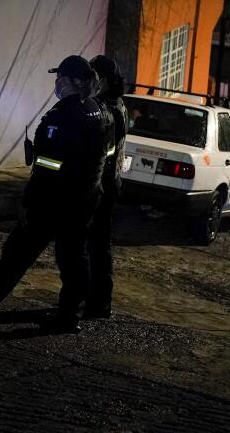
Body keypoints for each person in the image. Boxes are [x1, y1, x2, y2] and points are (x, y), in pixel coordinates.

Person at [0, 55, 108, 333]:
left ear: (73, 81)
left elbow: (47, 169)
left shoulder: (60, 118)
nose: (56, 83)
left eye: (60, 78)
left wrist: (27, 203)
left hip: (51, 204)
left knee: (15, 256)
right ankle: (69, 316)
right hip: (84, 201)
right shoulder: (97, 110)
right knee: (74, 259)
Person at [85, 55, 128, 319]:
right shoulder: (116, 105)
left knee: (97, 246)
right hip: (108, 184)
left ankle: (98, 304)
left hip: (102, 186)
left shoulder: (107, 109)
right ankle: (97, 302)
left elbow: (103, 154)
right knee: (98, 245)